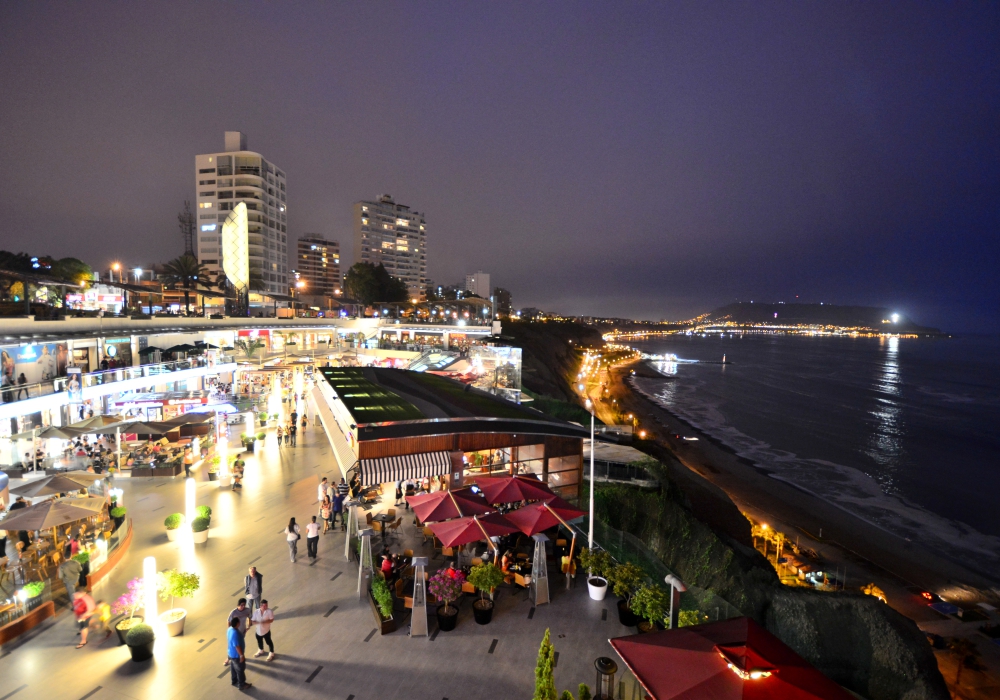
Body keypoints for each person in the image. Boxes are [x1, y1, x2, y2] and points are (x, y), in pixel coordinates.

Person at [223, 599, 253, 667]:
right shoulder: (233, 612)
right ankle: (229, 658)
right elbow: (228, 621)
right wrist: (229, 630)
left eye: (244, 605)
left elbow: (249, 617)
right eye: (241, 605)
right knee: (231, 646)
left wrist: (248, 626)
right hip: (234, 632)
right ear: (238, 605)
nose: (243, 606)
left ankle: (240, 655)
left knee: (240, 644)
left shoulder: (247, 610)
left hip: (242, 631)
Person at [227, 617, 252, 690]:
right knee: (240, 669)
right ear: (237, 623)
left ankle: (234, 680)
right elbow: (237, 646)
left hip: (230, 653)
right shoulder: (235, 633)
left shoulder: (230, 629)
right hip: (236, 655)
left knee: (233, 667)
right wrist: (241, 655)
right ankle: (242, 684)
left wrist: (244, 632)